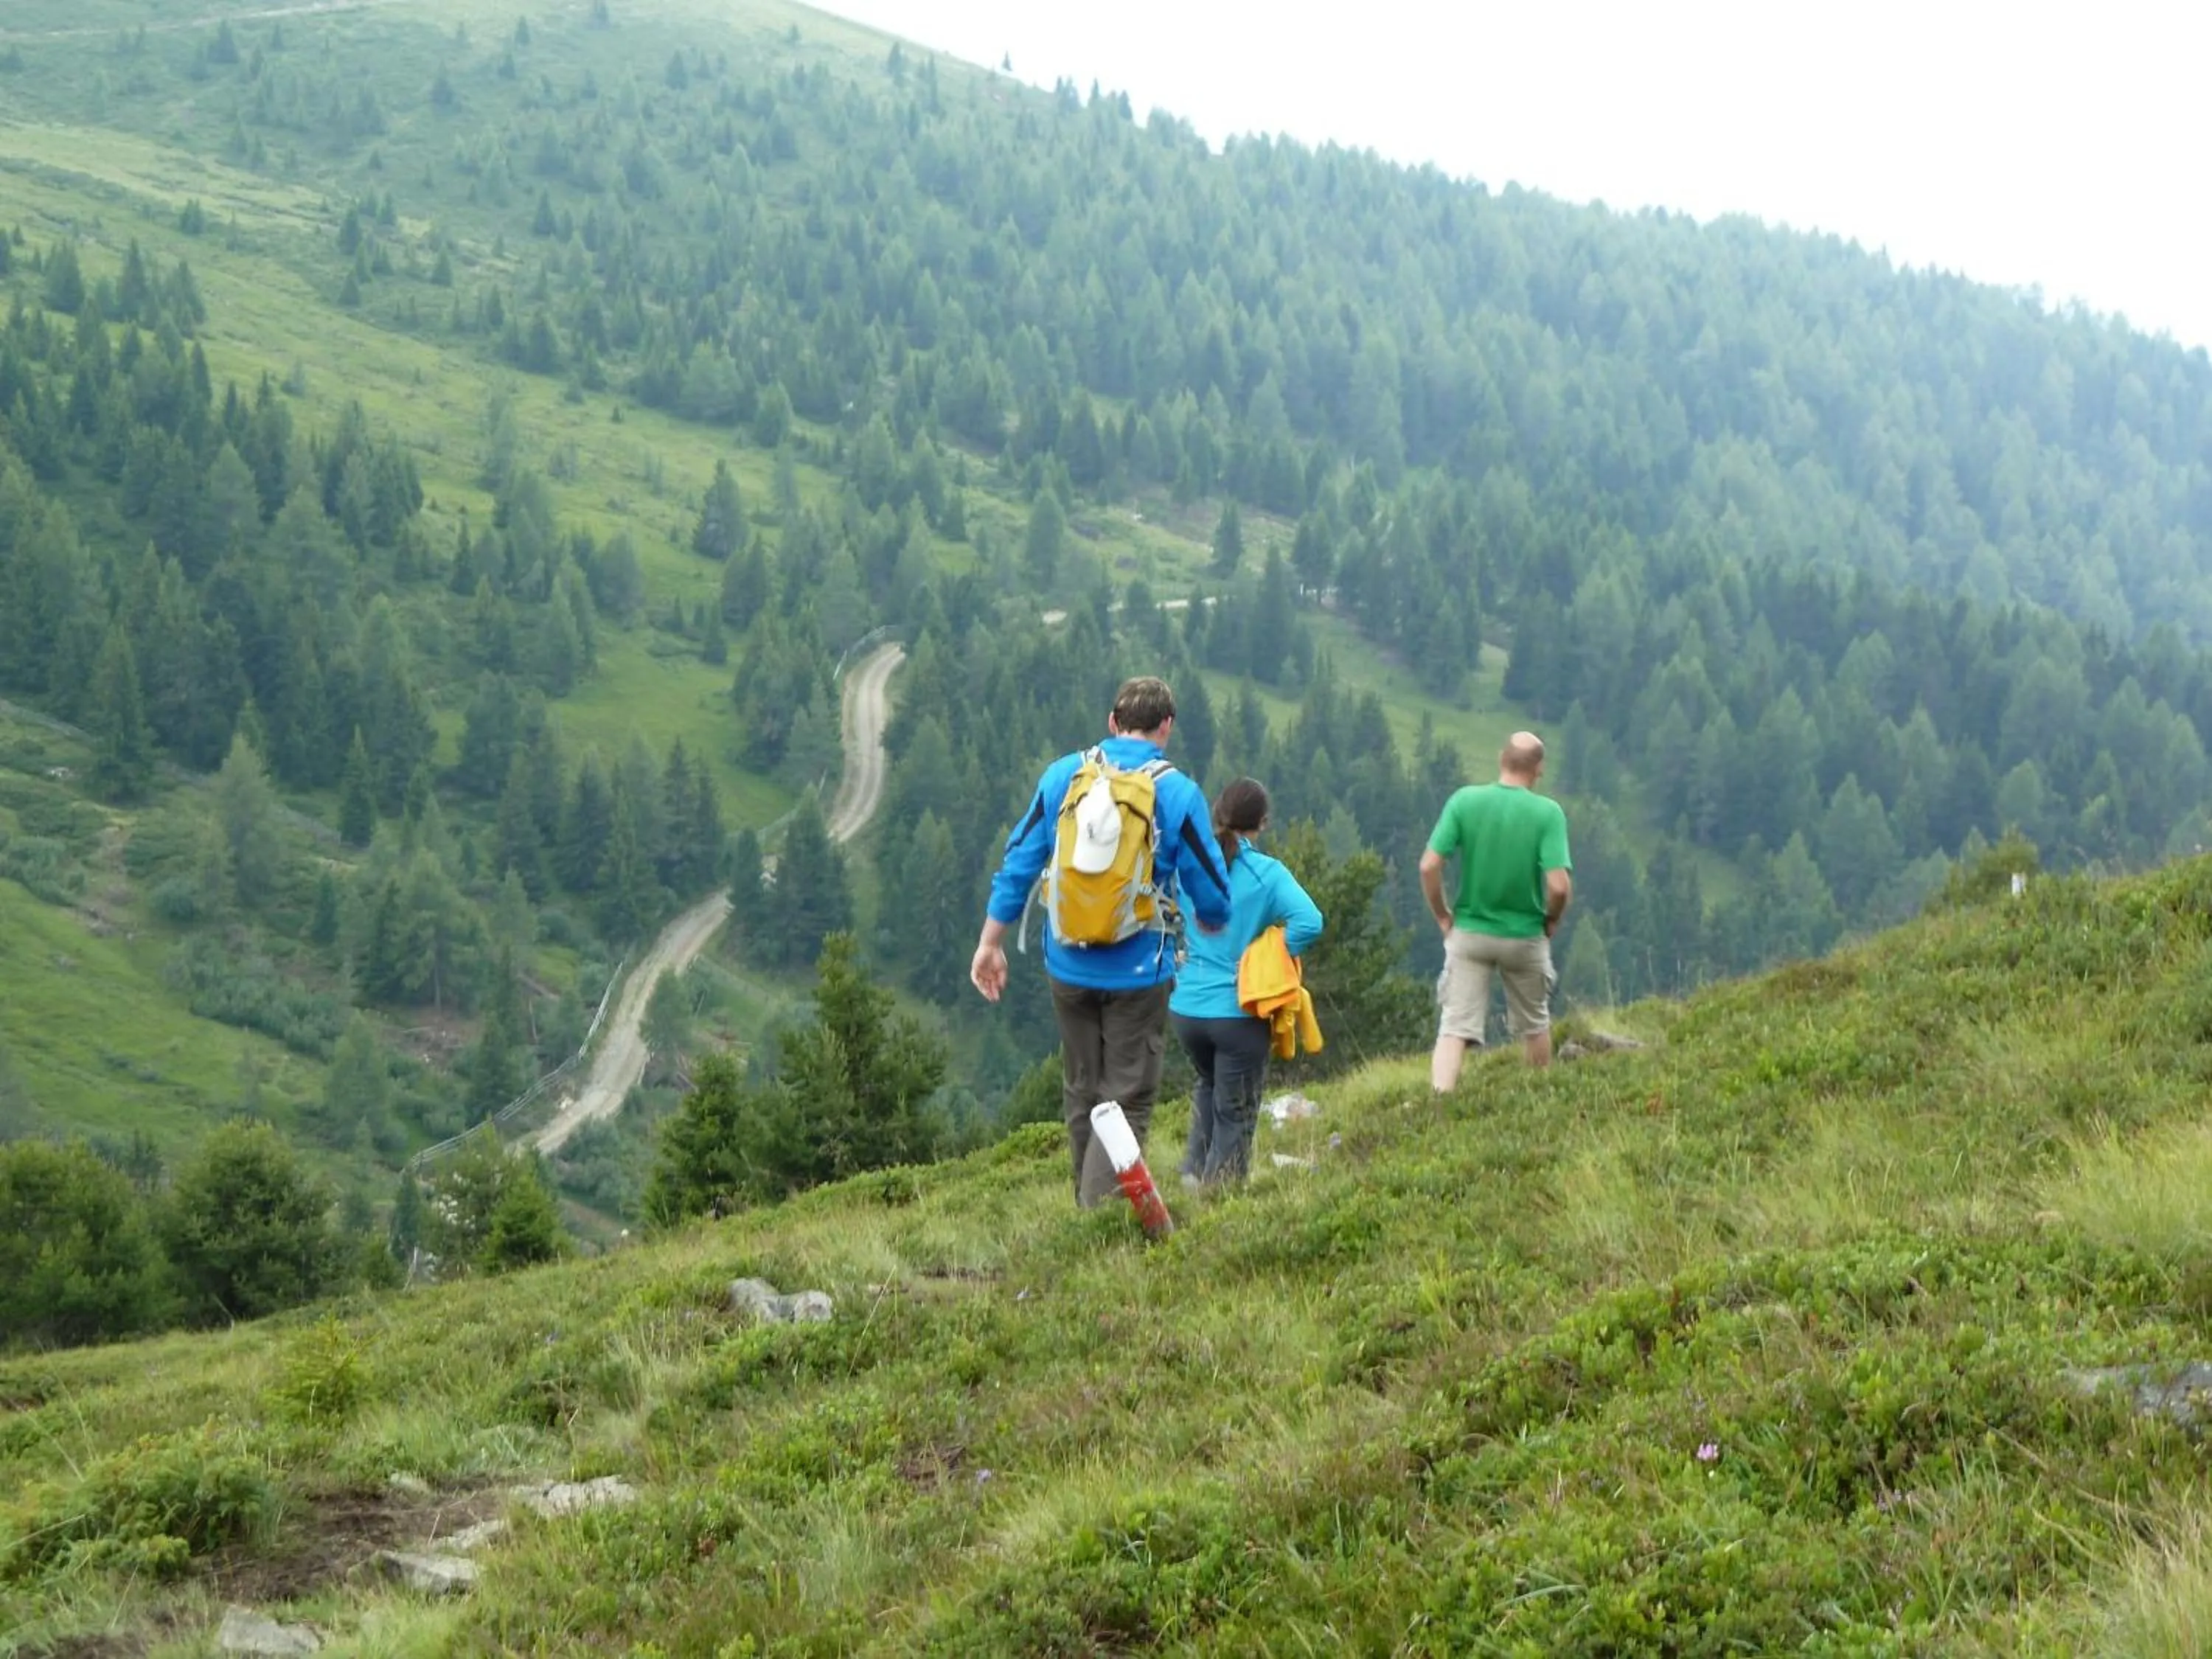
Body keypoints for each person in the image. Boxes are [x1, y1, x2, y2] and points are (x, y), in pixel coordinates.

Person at [971, 676, 1234, 1207]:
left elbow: (1019, 863)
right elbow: (1211, 887)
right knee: (1127, 1097)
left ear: (1113, 722)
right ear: (1166, 727)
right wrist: (1211, 918)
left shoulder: (1063, 777)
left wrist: (990, 943)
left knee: (1083, 1090)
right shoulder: (1176, 792)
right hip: (1138, 971)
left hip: (1067, 966)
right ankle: (1099, 1217)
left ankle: (1087, 1206)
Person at [1169, 779, 1324, 1186]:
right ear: (1263, 823)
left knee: (1209, 1085)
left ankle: (1191, 1179)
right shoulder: (1266, 873)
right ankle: (1220, 1197)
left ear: (1217, 811)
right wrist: (1266, 954)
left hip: (1186, 1007)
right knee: (1236, 1110)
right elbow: (1310, 922)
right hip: (1238, 1010)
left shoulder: (1188, 862)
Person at [1420, 730, 1573, 1088]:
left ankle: (1440, 1100)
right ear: (1538, 769)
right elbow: (1559, 886)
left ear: (1502, 759)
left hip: (1470, 932)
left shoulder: (1464, 801)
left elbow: (1429, 866)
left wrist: (1443, 914)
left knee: (1454, 1026)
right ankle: (1538, 1094)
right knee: (1534, 1023)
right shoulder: (1548, 813)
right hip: (1524, 935)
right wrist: (1551, 919)